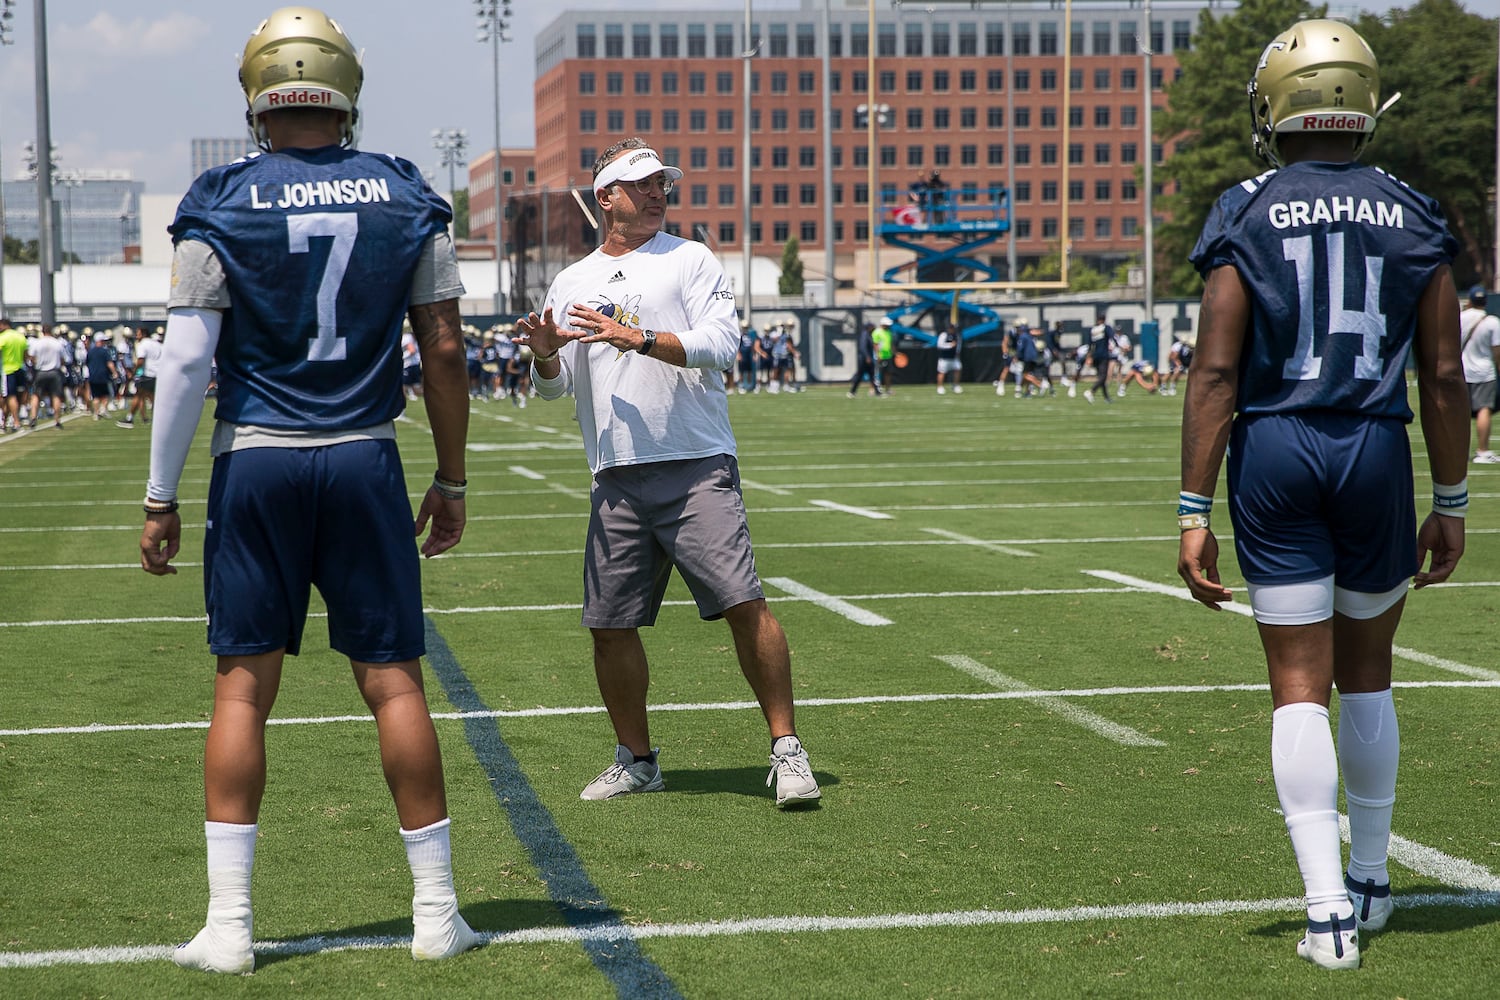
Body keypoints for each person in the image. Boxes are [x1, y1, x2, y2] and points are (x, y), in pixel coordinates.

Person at [135, 6, 479, 974]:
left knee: (244, 686)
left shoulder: (222, 198)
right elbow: (444, 349)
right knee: (393, 681)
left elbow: (187, 356)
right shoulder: (408, 193)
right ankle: (436, 914)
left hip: (258, 458)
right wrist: (451, 476)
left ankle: (233, 927)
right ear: (346, 89)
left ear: (258, 95)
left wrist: (160, 494)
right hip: (366, 452)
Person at [1177, 20, 1468, 971]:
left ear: (1277, 103)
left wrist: (1192, 510)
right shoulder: (1416, 211)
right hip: (1375, 449)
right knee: (1369, 672)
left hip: (1277, 449)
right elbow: (1442, 375)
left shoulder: (1245, 209)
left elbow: (1216, 372)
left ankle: (1325, 911)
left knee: (1296, 685)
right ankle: (1375, 878)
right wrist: (1455, 499)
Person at [514, 136, 820, 809]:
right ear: (606, 198)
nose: (658, 194)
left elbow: (721, 345)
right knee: (609, 624)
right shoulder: (571, 281)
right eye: (642, 184)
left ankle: (787, 749)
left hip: (694, 463)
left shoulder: (689, 258)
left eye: (662, 184)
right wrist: (542, 357)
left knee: (745, 604)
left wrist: (640, 338)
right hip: (616, 473)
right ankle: (638, 759)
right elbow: (556, 390)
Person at [1458, 285, 1500, 463]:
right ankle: (1482, 451)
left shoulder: (1460, 317)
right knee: (1484, 408)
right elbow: (1497, 349)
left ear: (1470, 300)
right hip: (1484, 371)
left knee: (1460, 412)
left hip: (1462, 369)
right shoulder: (1492, 321)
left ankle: (1459, 451)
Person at [117, 327, 162, 428]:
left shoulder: (143, 344)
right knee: (152, 398)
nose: (136, 335)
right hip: (158, 374)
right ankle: (157, 419)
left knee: (139, 396)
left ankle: (129, 419)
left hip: (148, 374)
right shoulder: (156, 344)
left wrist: (134, 372)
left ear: (144, 334)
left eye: (138, 333)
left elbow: (140, 360)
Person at [26, 325, 67, 429]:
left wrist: (37, 363)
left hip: (41, 371)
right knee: (55, 396)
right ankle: (57, 421)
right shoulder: (57, 343)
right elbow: (63, 359)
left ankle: (33, 417)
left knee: (36, 395)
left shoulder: (37, 343)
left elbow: (31, 357)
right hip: (54, 371)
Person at [0, 317, 26, 432]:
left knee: (9, 397)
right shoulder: (20, 337)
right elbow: (25, 354)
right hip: (20, 369)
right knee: (18, 396)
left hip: (7, 370)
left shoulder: (3, 337)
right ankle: (6, 421)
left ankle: (15, 422)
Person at [85, 332, 118, 419]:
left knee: (95, 396)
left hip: (93, 376)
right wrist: (114, 372)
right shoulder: (104, 351)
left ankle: (96, 414)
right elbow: (109, 363)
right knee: (105, 395)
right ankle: (103, 410)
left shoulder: (90, 352)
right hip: (103, 376)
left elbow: (87, 363)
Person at [1082, 316, 1113, 405]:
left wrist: (1089, 356)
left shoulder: (1093, 330)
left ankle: (1106, 398)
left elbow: (1089, 344)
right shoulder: (1106, 328)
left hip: (1095, 356)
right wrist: (1119, 347)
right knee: (1103, 377)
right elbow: (1112, 337)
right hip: (1103, 355)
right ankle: (1091, 391)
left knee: (1101, 377)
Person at [848, 322, 883, 397]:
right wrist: (867, 357)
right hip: (864, 359)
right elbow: (863, 347)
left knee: (872, 376)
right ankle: (852, 391)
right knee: (860, 376)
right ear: (869, 328)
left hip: (868, 358)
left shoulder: (869, 335)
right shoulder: (865, 334)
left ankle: (877, 392)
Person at [935, 323, 962, 394]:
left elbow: (958, 345)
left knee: (958, 369)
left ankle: (955, 385)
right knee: (942, 372)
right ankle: (940, 387)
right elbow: (939, 345)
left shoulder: (957, 335)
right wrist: (949, 345)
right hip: (944, 358)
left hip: (954, 358)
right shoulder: (943, 335)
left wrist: (957, 352)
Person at [871, 316, 895, 393]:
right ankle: (873, 389)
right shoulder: (877, 332)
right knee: (877, 374)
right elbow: (875, 344)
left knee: (888, 373)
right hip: (879, 356)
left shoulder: (888, 332)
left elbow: (890, 343)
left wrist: (894, 352)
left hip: (888, 356)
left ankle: (888, 389)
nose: (888, 326)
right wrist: (878, 355)